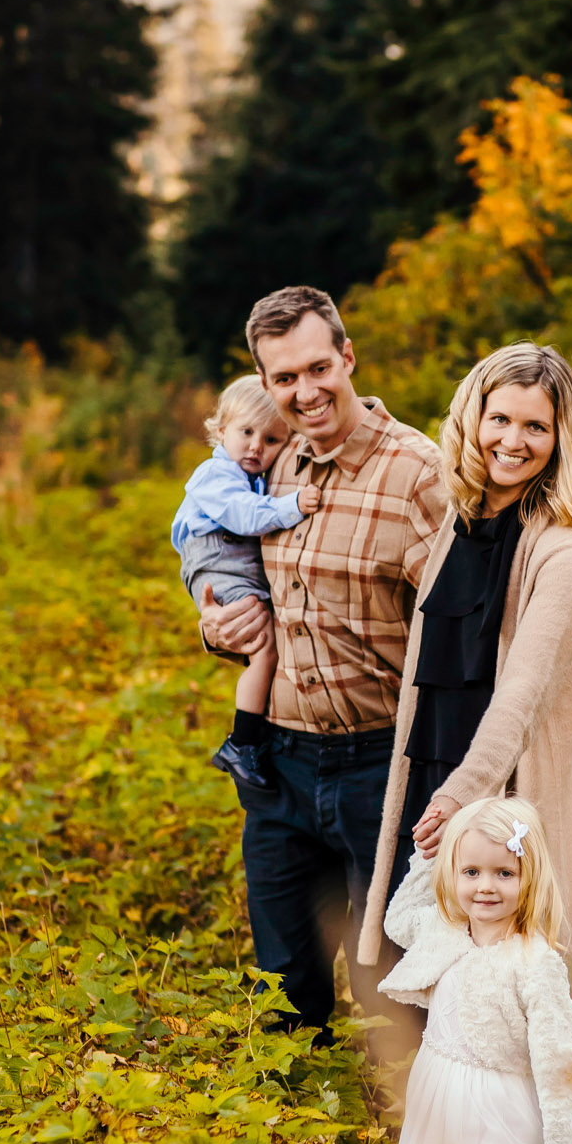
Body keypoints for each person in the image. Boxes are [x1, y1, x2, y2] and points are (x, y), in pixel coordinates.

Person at [197, 284, 448, 1041]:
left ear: (347, 357)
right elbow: (217, 558)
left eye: (317, 369)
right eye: (283, 379)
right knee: (282, 990)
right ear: (265, 384)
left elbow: (472, 637)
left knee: (392, 998)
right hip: (278, 762)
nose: (304, 393)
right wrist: (216, 622)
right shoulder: (265, 466)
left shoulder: (420, 475)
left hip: (385, 768)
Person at [356, 341, 572, 984]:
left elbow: (522, 692)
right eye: (500, 419)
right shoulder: (459, 520)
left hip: (503, 789)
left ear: (563, 437)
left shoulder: (566, 548)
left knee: (500, 984)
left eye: (535, 426)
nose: (513, 441)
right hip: (433, 773)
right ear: (474, 419)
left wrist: (464, 795)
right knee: (422, 975)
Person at [381, 796, 572, 1144]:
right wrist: (426, 858)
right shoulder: (444, 933)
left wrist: (567, 1142)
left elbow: (556, 1057)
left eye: (503, 872)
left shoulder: (535, 962)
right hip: (437, 1093)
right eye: (470, 871)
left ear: (529, 877)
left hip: (499, 1106)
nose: (485, 887)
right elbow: (398, 919)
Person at [171, 375, 322, 795]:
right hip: (218, 557)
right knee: (265, 649)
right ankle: (244, 740)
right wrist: (293, 505)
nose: (257, 446)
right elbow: (244, 515)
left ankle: (251, 736)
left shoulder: (249, 473)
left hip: (230, 558)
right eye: (246, 432)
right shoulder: (214, 475)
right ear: (221, 432)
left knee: (266, 640)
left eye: (272, 439)